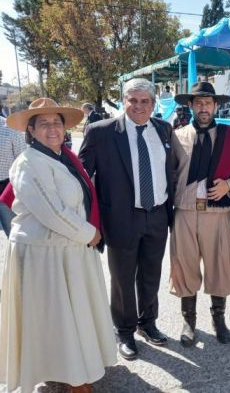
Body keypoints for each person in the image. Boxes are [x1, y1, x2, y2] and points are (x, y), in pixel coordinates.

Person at [0, 98, 116, 393]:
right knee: (56, 317)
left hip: (65, 250)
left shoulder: (61, 156)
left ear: (65, 128)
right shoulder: (28, 163)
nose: (52, 128)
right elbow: (51, 212)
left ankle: (70, 367)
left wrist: (84, 234)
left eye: (56, 122)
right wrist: (89, 233)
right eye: (44, 123)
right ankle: (72, 376)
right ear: (31, 130)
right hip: (45, 254)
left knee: (68, 314)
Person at [79, 78, 177, 361]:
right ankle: (124, 331)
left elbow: (170, 171)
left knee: (151, 274)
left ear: (154, 103)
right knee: (122, 279)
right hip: (121, 219)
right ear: (123, 102)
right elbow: (83, 179)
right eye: (132, 100)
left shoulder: (164, 129)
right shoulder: (101, 132)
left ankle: (148, 323)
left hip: (157, 215)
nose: (138, 106)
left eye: (145, 101)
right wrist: (91, 222)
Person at [170, 82, 230, 346]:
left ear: (216, 106)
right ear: (190, 105)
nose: (203, 108)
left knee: (220, 265)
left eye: (208, 103)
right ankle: (188, 321)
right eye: (198, 103)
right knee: (185, 266)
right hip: (185, 210)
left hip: (217, 212)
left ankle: (219, 319)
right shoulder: (176, 137)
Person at [0, 114, 26, 237]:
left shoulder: (10, 128)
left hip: (6, 187)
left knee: (14, 233)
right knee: (13, 233)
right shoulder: (11, 128)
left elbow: (23, 161)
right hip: (6, 186)